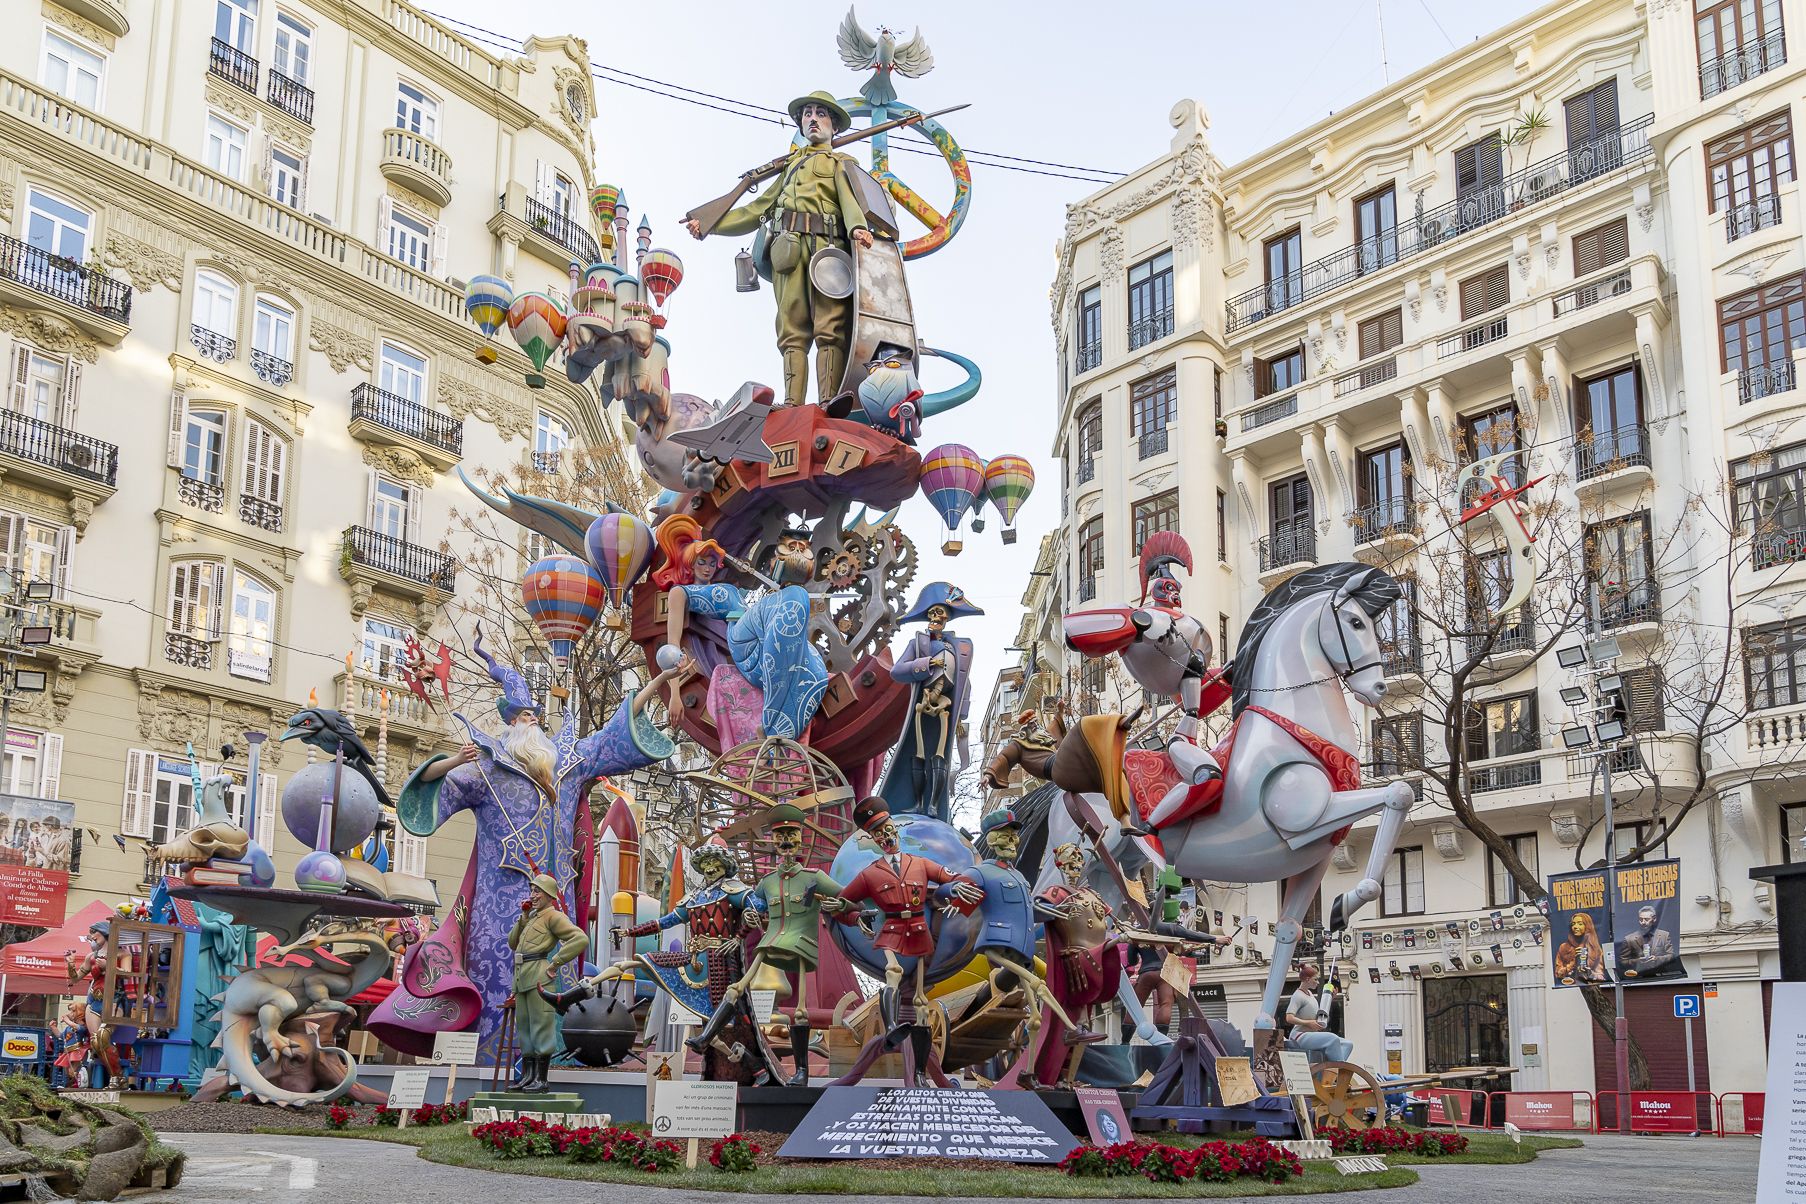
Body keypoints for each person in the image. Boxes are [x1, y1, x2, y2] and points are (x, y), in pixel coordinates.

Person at [388, 629, 692, 1063]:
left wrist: (659, 681)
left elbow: (616, 728)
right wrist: (456, 759)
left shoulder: (567, 766)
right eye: (524, 716)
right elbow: (431, 789)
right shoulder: (487, 770)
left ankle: (552, 1062)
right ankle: (488, 1062)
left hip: (557, 900)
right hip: (497, 910)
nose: (532, 721)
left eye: (534, 715)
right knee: (498, 981)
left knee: (555, 984)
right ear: (510, 723)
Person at [686, 91, 876, 407]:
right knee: (791, 329)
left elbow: (849, 200)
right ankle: (792, 404)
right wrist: (710, 225)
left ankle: (828, 401)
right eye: (807, 114)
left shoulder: (841, 163)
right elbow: (757, 208)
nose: (813, 119)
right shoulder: (790, 167)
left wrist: (857, 227)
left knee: (830, 327)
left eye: (821, 114)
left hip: (827, 250)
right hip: (788, 253)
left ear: (834, 127)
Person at [689, 804, 849, 1085]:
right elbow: (755, 907)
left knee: (800, 1010)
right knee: (736, 988)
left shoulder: (813, 877)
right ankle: (706, 1037)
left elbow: (848, 896)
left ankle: (802, 1072)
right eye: (780, 837)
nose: (786, 842)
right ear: (773, 842)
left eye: (791, 835)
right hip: (770, 941)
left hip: (801, 943)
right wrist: (748, 919)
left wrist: (841, 906)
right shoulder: (767, 882)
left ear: (800, 839)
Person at [833, 796, 982, 1073]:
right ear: (873, 840)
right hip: (891, 929)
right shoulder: (869, 874)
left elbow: (954, 878)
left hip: (918, 930)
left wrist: (958, 893)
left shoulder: (920, 863)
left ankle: (920, 1071)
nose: (886, 837)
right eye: (878, 834)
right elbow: (841, 904)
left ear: (896, 829)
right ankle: (892, 1029)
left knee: (921, 1002)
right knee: (893, 971)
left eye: (888, 830)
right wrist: (855, 918)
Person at [656, 517, 830, 741]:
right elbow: (674, 633)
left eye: (712, 563)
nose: (707, 569)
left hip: (763, 643)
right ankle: (771, 720)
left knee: (817, 673)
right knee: (796, 596)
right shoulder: (707, 593)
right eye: (702, 562)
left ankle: (779, 731)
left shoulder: (730, 591)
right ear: (690, 564)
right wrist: (674, 693)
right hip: (745, 641)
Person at [879, 583, 983, 822]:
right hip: (923, 704)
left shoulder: (959, 647)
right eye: (933, 612)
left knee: (941, 754)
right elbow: (897, 671)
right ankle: (916, 803)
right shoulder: (918, 644)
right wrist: (926, 664)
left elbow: (964, 683)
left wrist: (961, 715)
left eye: (941, 613)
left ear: (948, 617)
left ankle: (934, 806)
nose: (937, 617)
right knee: (919, 751)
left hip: (945, 706)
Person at [507, 873, 589, 1094]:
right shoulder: (532, 917)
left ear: (549, 895)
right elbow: (513, 943)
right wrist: (523, 917)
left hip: (539, 977)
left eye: (538, 891)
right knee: (525, 1028)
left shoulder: (553, 916)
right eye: (532, 890)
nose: (533, 895)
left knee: (541, 1027)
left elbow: (580, 938)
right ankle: (528, 1076)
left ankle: (541, 1079)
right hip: (522, 976)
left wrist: (556, 963)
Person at [1618, 905, 1677, 978]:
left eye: (1646, 919)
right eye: (1641, 919)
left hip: (1661, 976)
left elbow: (1671, 956)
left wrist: (1657, 959)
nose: (1643, 922)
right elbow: (1622, 962)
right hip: (1638, 977)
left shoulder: (1664, 935)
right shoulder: (1629, 939)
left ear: (1654, 919)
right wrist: (1638, 961)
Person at [1553, 912, 1609, 985]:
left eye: (1580, 924)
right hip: (1570, 986)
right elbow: (1558, 973)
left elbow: (1600, 976)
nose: (1575, 927)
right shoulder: (1564, 947)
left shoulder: (1595, 949)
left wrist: (1588, 971)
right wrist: (1573, 963)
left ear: (1587, 926)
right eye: (1573, 924)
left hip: (1590, 987)